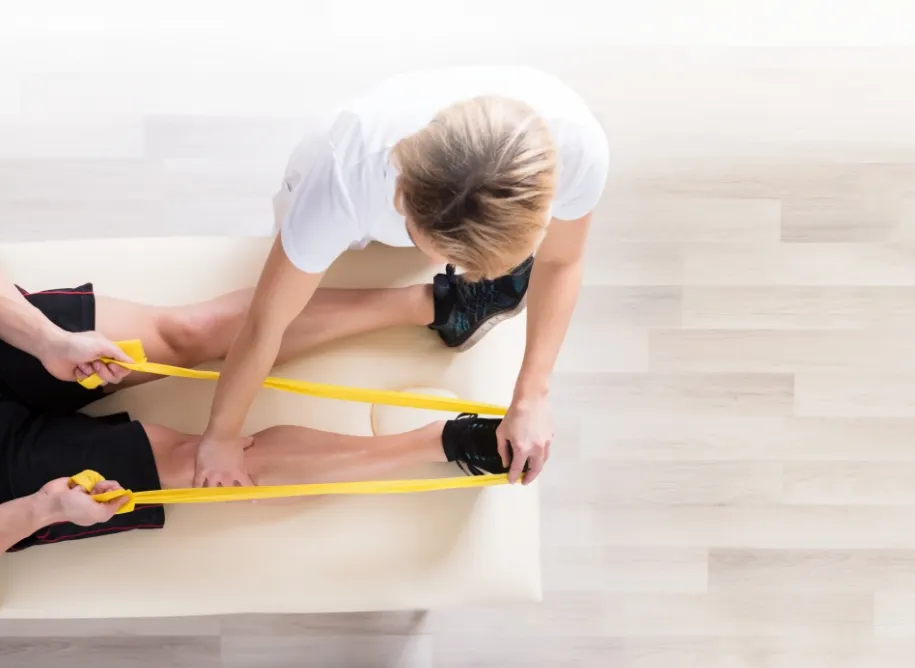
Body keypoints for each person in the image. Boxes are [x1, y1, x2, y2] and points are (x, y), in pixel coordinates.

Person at [0, 202, 509, 593]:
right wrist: (43, 511)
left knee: (186, 333)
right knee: (208, 465)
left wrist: (44, 339)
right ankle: (447, 444)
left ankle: (439, 304)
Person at [198, 65, 609, 489]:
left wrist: (532, 394)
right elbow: (267, 321)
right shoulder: (339, 184)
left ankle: (446, 303)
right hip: (347, 190)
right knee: (259, 309)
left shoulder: (577, 148)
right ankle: (444, 302)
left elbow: (561, 261)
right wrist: (220, 434)